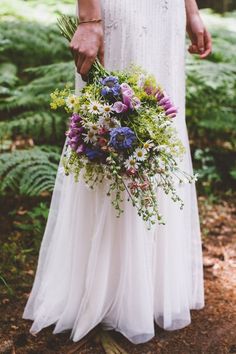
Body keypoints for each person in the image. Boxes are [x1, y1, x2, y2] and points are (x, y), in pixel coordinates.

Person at [23, 0, 212, 351]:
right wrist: (89, 18)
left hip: (165, 14)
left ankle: (148, 289)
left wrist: (190, 10)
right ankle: (100, 288)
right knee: (112, 124)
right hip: (120, 12)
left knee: (157, 128)